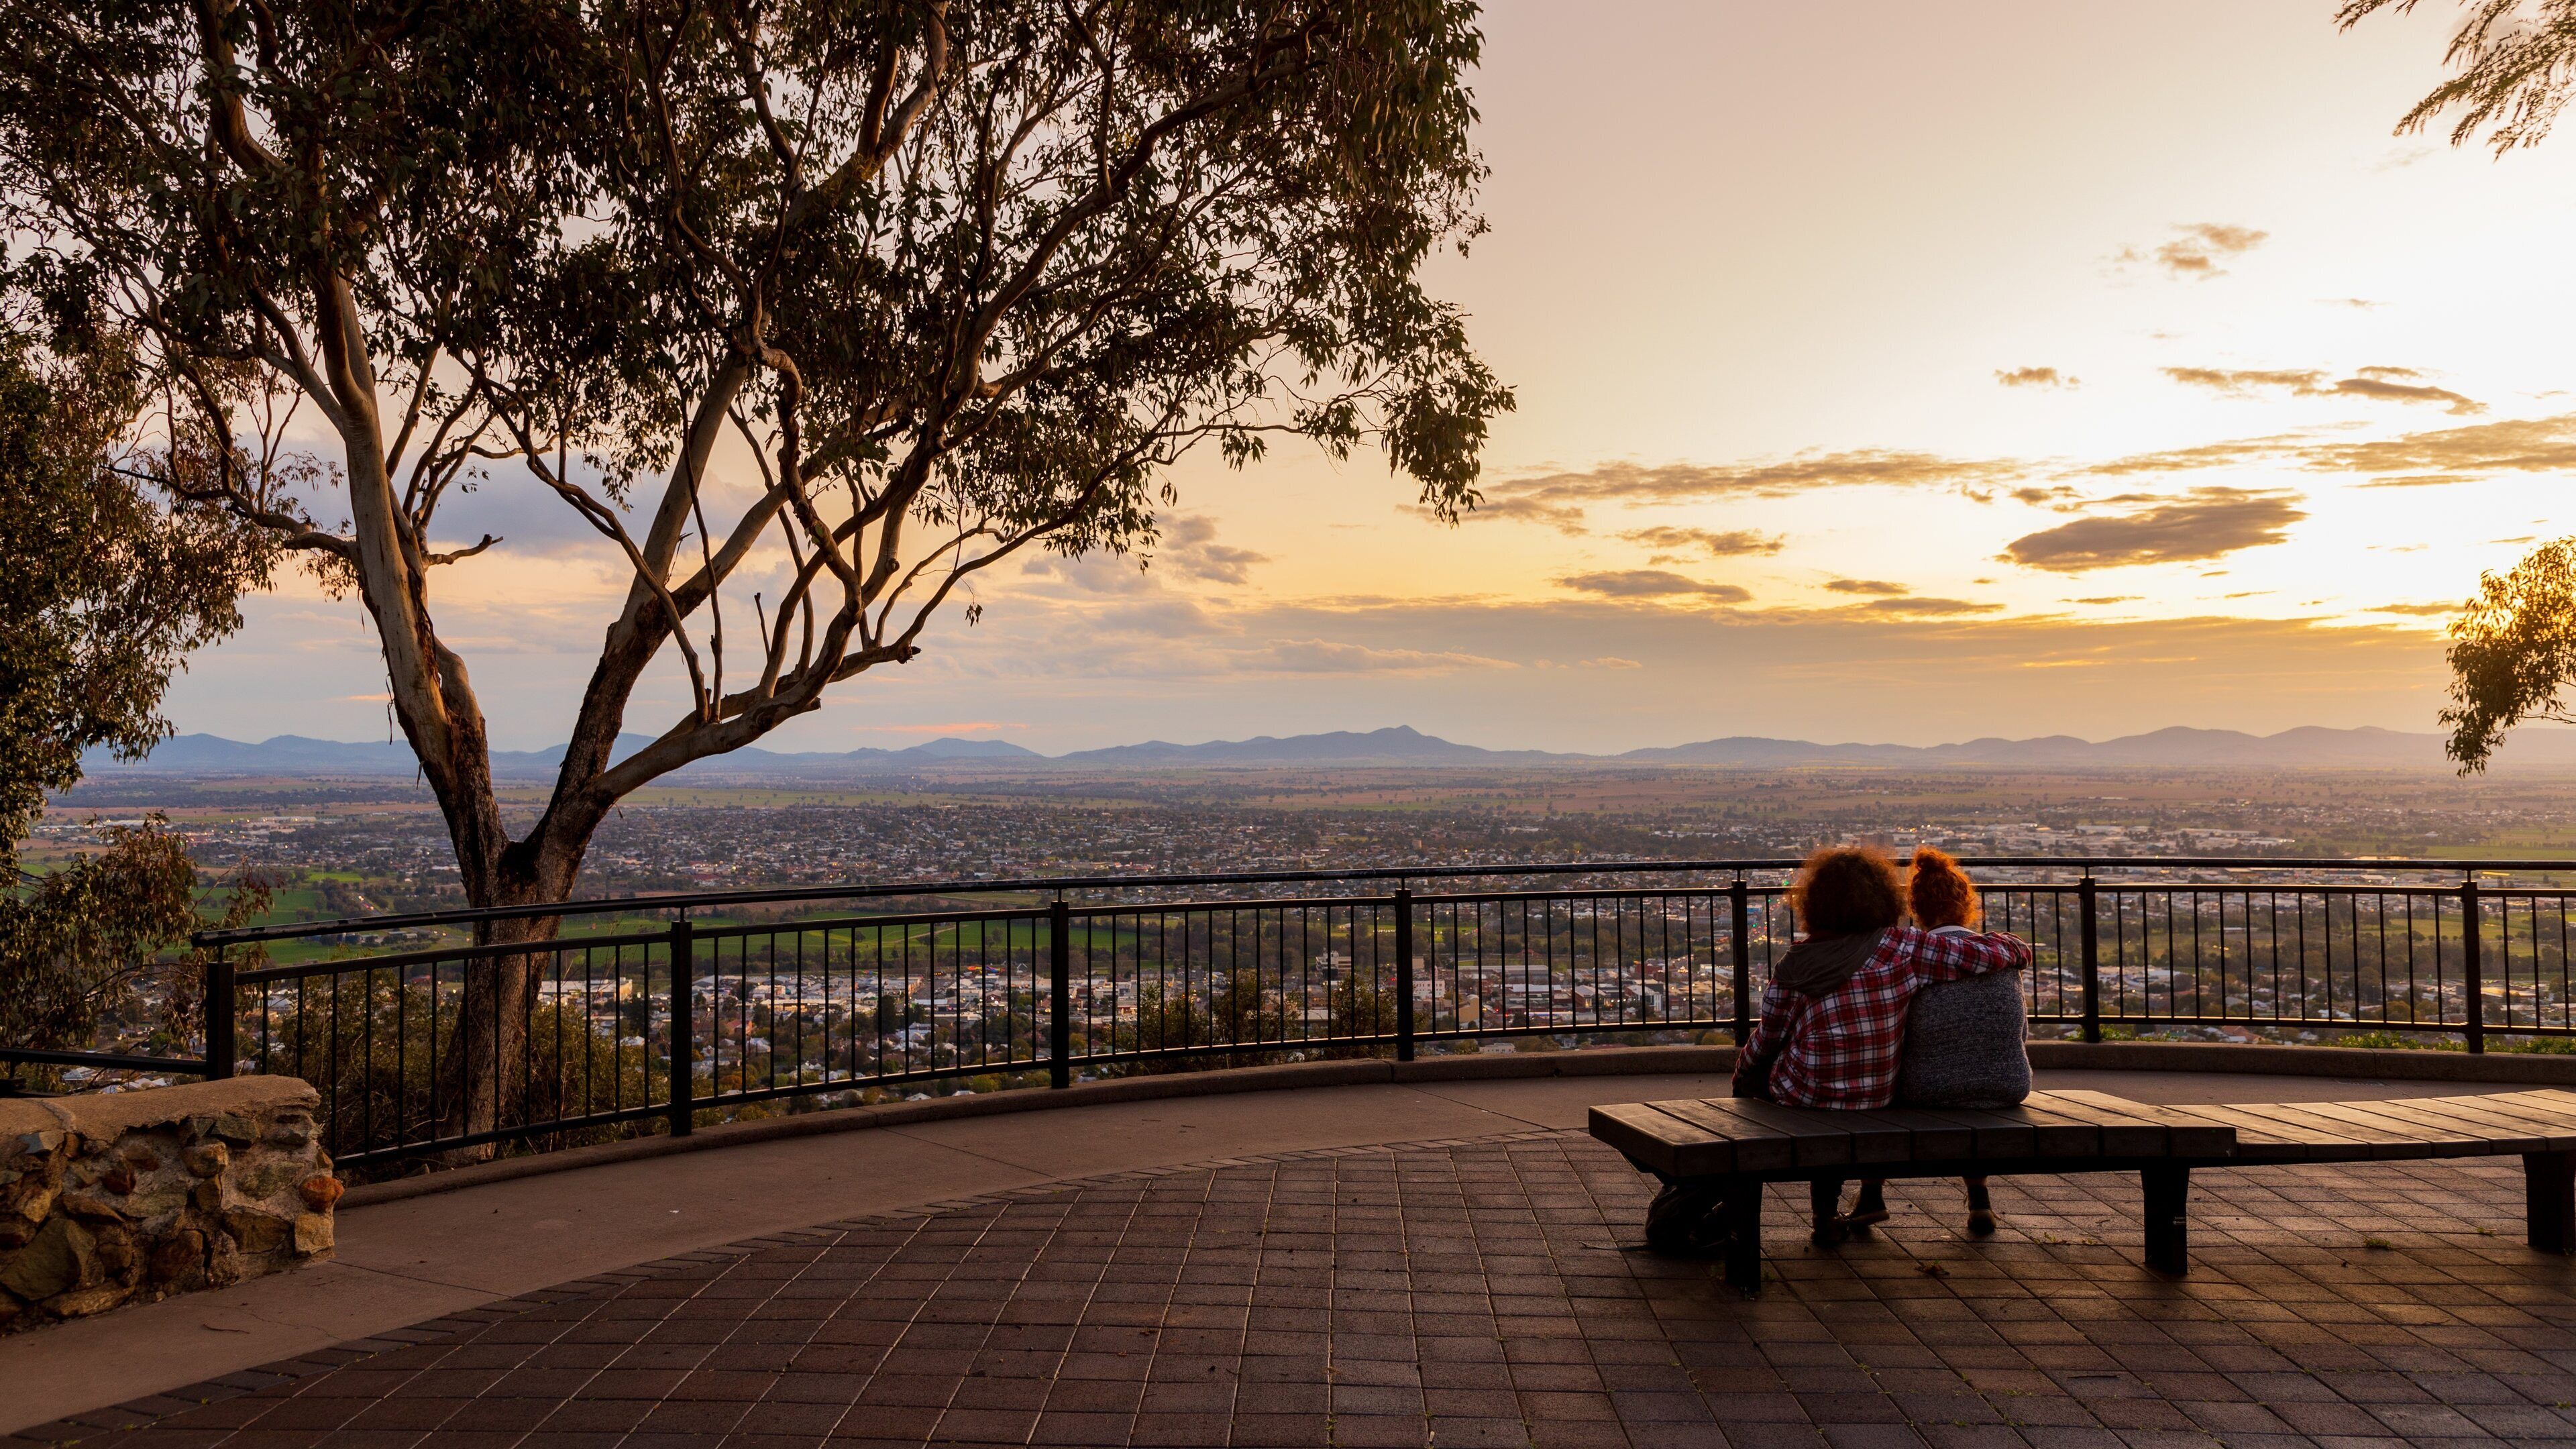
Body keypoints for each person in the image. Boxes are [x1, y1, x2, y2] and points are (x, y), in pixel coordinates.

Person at [1732, 844, 2033, 1246]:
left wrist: (1742, 1077)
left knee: (1785, 1079)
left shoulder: (1796, 963)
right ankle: (1840, 1210)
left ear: (1814, 903)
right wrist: (2015, 946)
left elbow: (1767, 1037)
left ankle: (1818, 1214)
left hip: (1804, 1092)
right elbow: (1977, 953)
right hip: (1875, 1093)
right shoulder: (1901, 948)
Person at [1843, 847, 2030, 1237]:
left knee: (1884, 1083)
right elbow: (2019, 1033)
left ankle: (1871, 1195)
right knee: (1971, 1083)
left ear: (1916, 908)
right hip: (2009, 1084)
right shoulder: (1999, 956)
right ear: (1968, 905)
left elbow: (1892, 1033)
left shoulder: (1912, 957)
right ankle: (1979, 1199)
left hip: (1928, 1089)